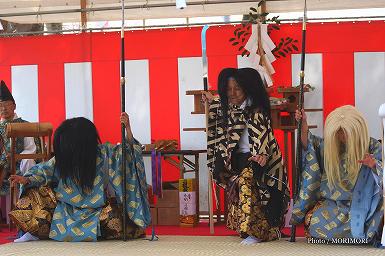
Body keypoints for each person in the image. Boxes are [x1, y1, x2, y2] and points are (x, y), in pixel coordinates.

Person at [8, 112, 151, 242]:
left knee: (118, 220)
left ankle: (46, 233)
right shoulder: (62, 158)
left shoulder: (104, 153)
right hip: (63, 211)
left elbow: (129, 153)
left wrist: (128, 129)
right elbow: (43, 170)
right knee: (32, 194)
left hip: (97, 213)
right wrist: (27, 179)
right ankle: (34, 233)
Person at [203, 67, 289, 244]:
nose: (232, 93)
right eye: (228, 89)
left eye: (237, 88)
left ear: (247, 88)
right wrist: (212, 100)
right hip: (239, 159)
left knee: (247, 182)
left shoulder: (256, 110)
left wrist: (261, 154)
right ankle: (251, 230)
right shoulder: (231, 107)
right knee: (235, 184)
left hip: (260, 159)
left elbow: (261, 133)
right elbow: (221, 107)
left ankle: (256, 233)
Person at [291, 105, 383, 244]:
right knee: (313, 220)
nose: (342, 136)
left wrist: (374, 165)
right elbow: (310, 146)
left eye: (345, 132)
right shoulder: (329, 147)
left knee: (378, 214)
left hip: (364, 205)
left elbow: (382, 173)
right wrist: (303, 125)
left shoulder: (371, 146)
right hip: (333, 206)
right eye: (339, 133)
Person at [0, 80, 38, 196]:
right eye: (0, 105)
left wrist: (14, 157)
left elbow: (30, 150)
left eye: (7, 104)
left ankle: (28, 191)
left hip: (20, 167)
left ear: (14, 106)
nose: (4, 108)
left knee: (28, 159)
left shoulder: (24, 125)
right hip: (2, 167)